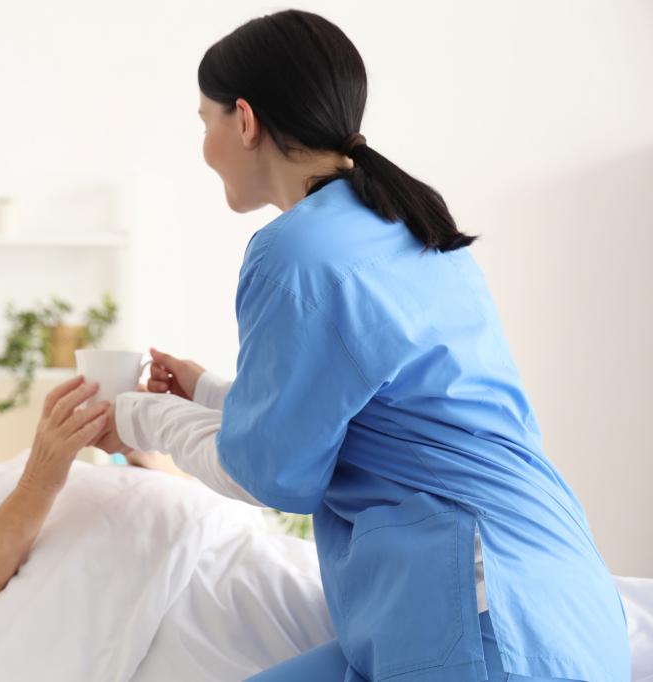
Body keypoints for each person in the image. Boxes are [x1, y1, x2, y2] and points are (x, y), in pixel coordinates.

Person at [93, 10, 630, 681]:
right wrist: (204, 390)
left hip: (487, 624)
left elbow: (271, 475)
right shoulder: (411, 227)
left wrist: (129, 415)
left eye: (205, 120)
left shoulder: (294, 250)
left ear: (246, 120)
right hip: (565, 598)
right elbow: (357, 419)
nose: (204, 143)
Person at [0, 324, 336, 676]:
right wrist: (45, 472)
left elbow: (180, 512)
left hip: (230, 555)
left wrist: (144, 448)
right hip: (183, 611)